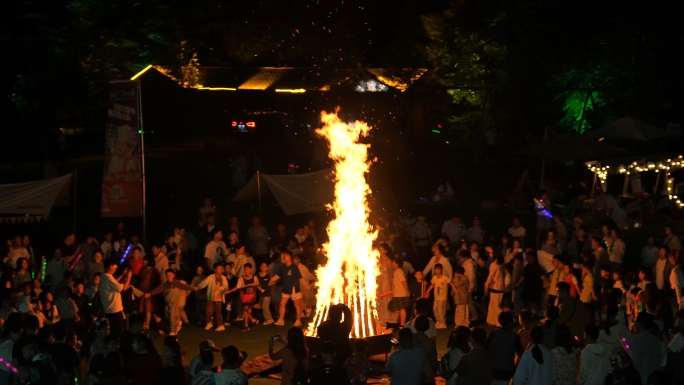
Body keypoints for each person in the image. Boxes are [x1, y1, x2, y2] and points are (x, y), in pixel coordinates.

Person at [145, 269, 197, 336]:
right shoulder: (165, 284)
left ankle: (173, 330)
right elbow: (158, 289)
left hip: (174, 303)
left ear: (173, 275)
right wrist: (150, 293)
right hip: (167, 303)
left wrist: (193, 288)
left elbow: (185, 287)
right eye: (167, 275)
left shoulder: (177, 283)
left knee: (172, 317)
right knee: (167, 317)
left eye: (170, 275)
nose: (168, 277)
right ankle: (167, 329)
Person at [485, 312, 524, 385]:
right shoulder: (513, 336)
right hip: (506, 371)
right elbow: (521, 353)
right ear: (510, 322)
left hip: (493, 369)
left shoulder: (493, 333)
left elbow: (485, 348)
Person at [99, 260, 132, 336]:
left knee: (112, 331)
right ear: (111, 267)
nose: (116, 268)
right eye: (115, 266)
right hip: (115, 310)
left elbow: (114, 283)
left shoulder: (103, 276)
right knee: (120, 332)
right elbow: (122, 288)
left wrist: (122, 274)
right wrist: (129, 277)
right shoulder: (109, 279)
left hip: (108, 309)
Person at [195, 263, 229, 331]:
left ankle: (220, 325)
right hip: (211, 297)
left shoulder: (224, 278)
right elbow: (204, 283)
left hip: (219, 298)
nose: (220, 270)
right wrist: (198, 287)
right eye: (219, 268)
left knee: (218, 311)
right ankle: (209, 323)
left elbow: (226, 286)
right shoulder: (211, 277)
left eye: (221, 269)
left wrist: (224, 290)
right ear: (214, 270)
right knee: (208, 311)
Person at [631, 313, 663, 385]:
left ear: (638, 324)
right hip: (655, 378)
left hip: (641, 377)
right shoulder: (655, 339)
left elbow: (634, 362)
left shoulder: (637, 341)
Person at [411, 315, 437, 385]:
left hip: (414, 374)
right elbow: (433, 359)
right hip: (427, 375)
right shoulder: (429, 342)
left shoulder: (411, 340)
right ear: (427, 326)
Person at [485, 252, 507, 326]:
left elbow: (491, 276)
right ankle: (492, 320)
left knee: (495, 306)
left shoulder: (494, 264)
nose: (490, 255)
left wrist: (487, 284)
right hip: (501, 287)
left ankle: (503, 321)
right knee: (493, 304)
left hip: (495, 287)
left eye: (491, 253)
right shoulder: (502, 264)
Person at [424, 264, 449, 329]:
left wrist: (455, 289)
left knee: (441, 310)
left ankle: (443, 323)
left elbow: (450, 283)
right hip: (436, 297)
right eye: (436, 269)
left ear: (441, 270)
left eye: (438, 269)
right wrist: (427, 291)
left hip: (443, 297)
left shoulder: (444, 277)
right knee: (435, 309)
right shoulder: (434, 277)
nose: (437, 271)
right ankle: (438, 321)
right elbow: (432, 285)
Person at [387, 258, 411, 326]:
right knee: (396, 309)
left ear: (398, 264)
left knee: (401, 308)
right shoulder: (395, 271)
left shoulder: (399, 271)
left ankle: (402, 324)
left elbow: (403, 281)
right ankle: (394, 322)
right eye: (392, 262)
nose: (392, 264)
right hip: (396, 294)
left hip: (400, 294)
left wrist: (406, 291)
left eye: (394, 263)